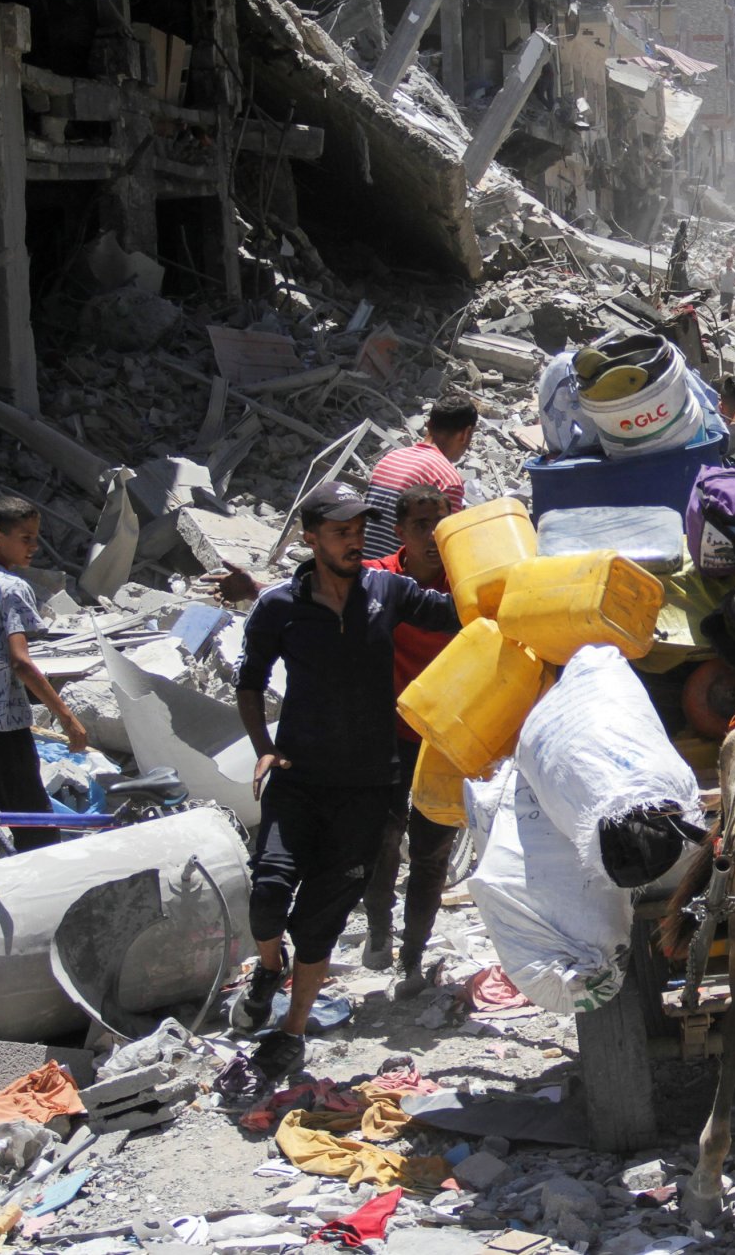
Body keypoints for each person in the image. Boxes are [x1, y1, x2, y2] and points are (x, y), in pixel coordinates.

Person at [233, 482, 462, 1075]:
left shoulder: (388, 591)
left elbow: (456, 613)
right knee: (268, 894)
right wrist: (263, 749)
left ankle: (292, 1028)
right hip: (299, 779)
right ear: (311, 539)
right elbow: (250, 681)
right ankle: (267, 968)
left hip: (367, 787)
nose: (353, 541)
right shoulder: (279, 607)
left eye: (359, 531)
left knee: (321, 921)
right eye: (340, 532)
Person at [359, 487, 461, 993]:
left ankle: (413, 956)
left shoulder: (466, 580)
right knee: (380, 841)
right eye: (421, 526)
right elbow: (316, 593)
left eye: (439, 524)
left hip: (445, 739)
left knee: (431, 853)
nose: (432, 536)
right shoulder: (377, 579)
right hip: (386, 734)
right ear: (400, 532)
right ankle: (379, 926)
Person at [0, 496, 88, 850]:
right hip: (4, 730)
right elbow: (20, 661)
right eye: (26, 538)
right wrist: (67, 718)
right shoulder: (12, 588)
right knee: (37, 828)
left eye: (36, 538)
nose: (34, 546)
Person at [363, 394, 477, 559]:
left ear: (429, 425)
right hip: (398, 572)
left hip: (364, 567)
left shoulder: (390, 459)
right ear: (466, 433)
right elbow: (446, 546)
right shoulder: (447, 478)